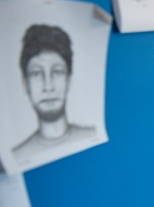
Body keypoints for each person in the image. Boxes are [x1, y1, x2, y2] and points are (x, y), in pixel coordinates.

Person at [13, 24, 96, 161]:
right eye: (36, 73)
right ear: (25, 83)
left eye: (57, 72)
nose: (48, 86)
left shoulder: (91, 135)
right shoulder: (18, 156)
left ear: (68, 79)